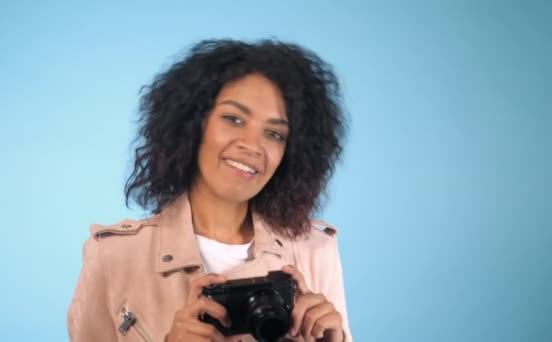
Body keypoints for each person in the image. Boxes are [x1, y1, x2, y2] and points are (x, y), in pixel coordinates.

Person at [68, 39, 353, 342]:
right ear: (193, 124)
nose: (252, 145)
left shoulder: (316, 251)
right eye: (233, 119)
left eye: (274, 133)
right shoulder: (114, 257)